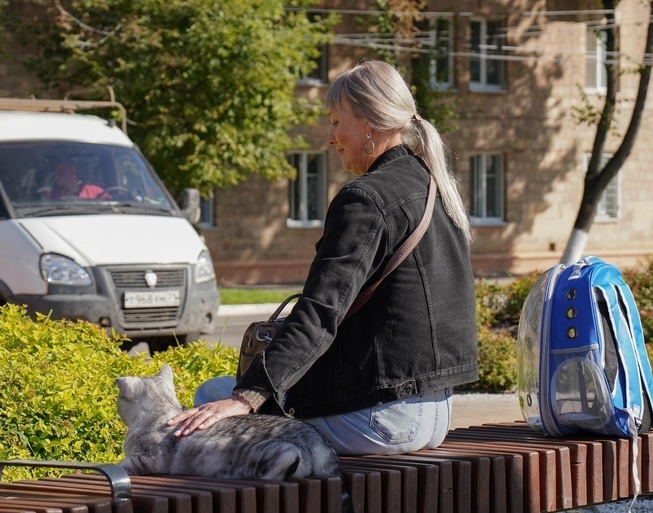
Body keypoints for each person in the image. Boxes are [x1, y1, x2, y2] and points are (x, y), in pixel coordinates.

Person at [168, 59, 479, 455]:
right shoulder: (433, 185)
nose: (331, 137)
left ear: (368, 123)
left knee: (212, 395)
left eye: (336, 122)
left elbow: (319, 313)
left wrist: (246, 398)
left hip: (385, 420)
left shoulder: (365, 199)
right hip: (435, 411)